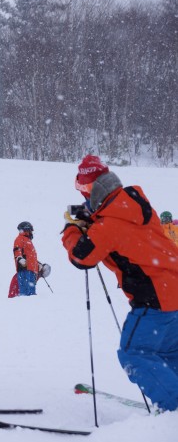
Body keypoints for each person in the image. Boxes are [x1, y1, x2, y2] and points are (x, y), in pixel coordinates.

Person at [62, 155, 178, 412]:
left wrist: (71, 230)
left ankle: (174, 408)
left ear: (97, 189)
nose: (83, 195)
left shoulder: (110, 223)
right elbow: (123, 234)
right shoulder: (133, 206)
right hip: (173, 292)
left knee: (134, 352)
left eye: (85, 189)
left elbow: (83, 257)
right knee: (168, 353)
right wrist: (91, 221)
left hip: (157, 300)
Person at [12, 221, 45, 296]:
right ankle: (25, 304)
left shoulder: (28, 241)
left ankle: (31, 304)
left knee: (31, 291)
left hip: (31, 270)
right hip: (24, 269)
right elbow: (17, 249)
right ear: (26, 230)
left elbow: (30, 256)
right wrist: (20, 259)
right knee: (25, 291)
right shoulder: (20, 239)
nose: (31, 233)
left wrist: (37, 264)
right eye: (30, 230)